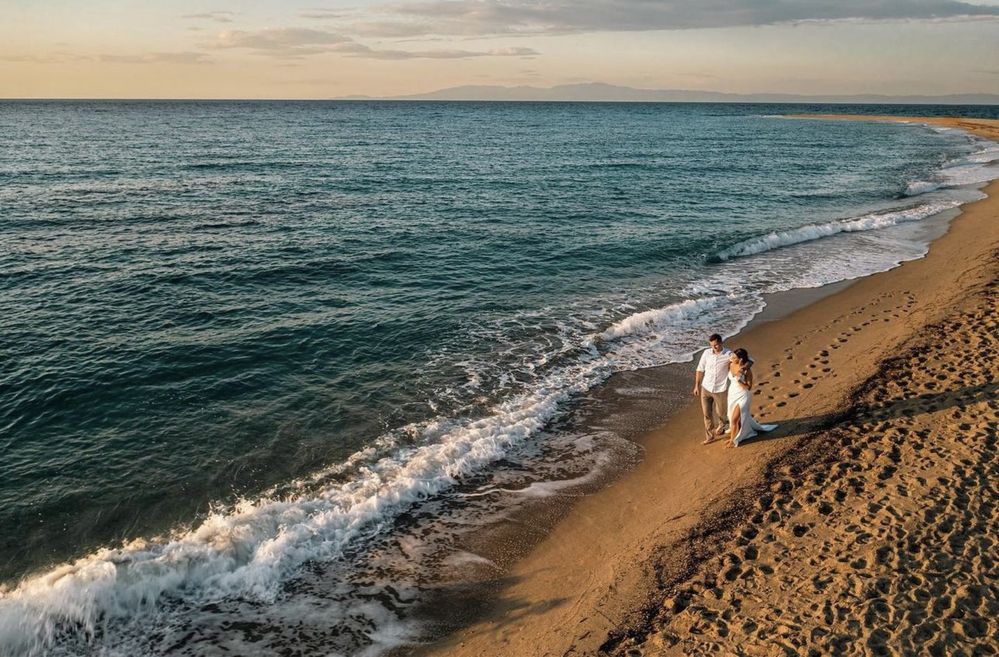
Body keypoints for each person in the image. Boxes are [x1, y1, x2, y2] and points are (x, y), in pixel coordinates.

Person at [727, 348, 777, 447]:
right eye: (732, 355)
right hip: (732, 394)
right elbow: (751, 359)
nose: (731, 358)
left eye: (734, 357)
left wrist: (739, 380)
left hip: (743, 395)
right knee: (731, 416)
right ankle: (738, 435)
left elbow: (748, 387)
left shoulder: (747, 371)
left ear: (740, 359)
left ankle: (732, 440)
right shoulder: (731, 364)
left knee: (734, 419)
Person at [693, 333, 731, 444]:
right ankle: (710, 436)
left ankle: (722, 426)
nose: (714, 348)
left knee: (721, 413)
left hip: (720, 389)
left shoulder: (729, 354)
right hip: (706, 388)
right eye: (711, 345)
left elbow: (743, 360)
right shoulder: (706, 353)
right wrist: (697, 386)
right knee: (707, 414)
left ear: (721, 343)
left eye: (716, 345)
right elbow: (700, 369)